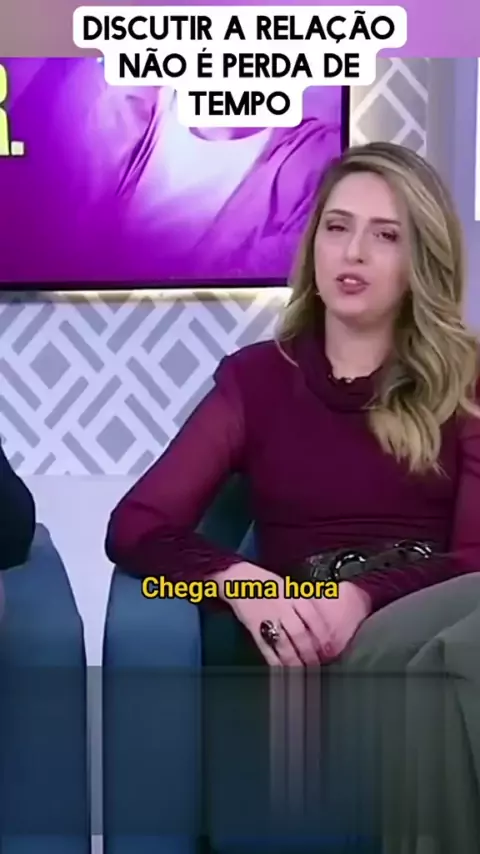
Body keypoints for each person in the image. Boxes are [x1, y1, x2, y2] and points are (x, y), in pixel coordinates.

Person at [105, 141, 480, 669]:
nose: (353, 252)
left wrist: (365, 596)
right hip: (306, 643)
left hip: (430, 636)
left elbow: (474, 562)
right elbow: (136, 524)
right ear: (313, 245)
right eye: (337, 227)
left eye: (386, 235)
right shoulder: (256, 380)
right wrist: (242, 583)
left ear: (422, 260)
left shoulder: (466, 382)